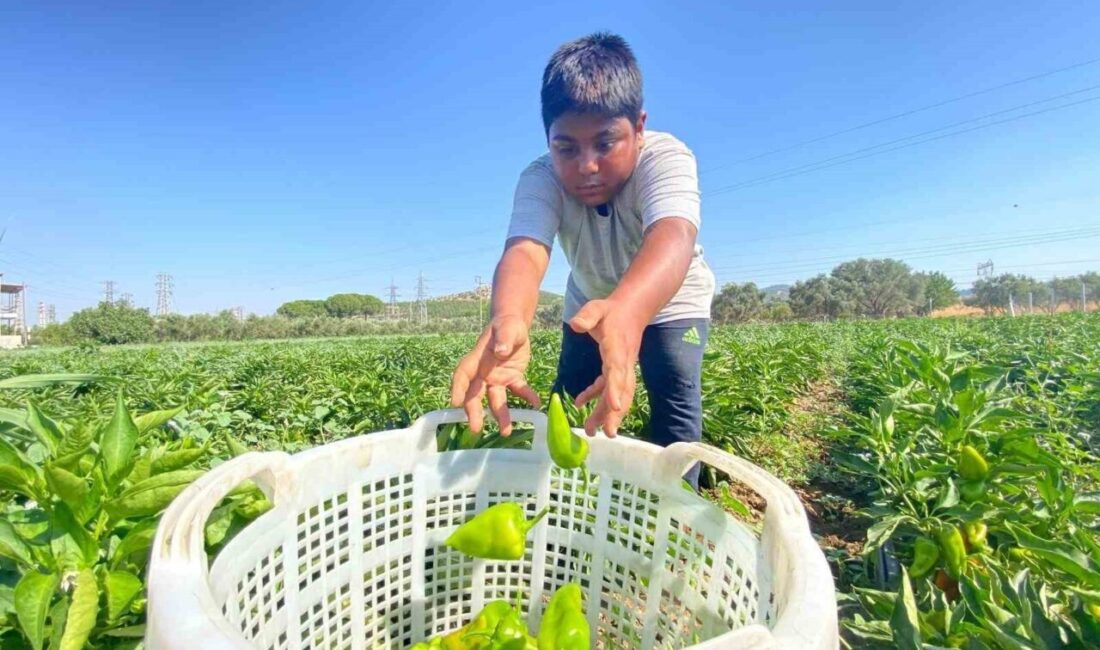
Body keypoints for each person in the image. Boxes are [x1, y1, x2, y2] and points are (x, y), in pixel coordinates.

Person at [449, 32, 715, 486]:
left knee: (674, 408)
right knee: (566, 400)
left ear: (640, 127)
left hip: (673, 304)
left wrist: (628, 312)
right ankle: (558, 496)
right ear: (548, 139)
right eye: (566, 147)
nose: (586, 165)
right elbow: (526, 251)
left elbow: (673, 235)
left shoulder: (667, 158)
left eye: (606, 143)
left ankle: (679, 522)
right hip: (588, 305)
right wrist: (510, 317)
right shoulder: (540, 179)